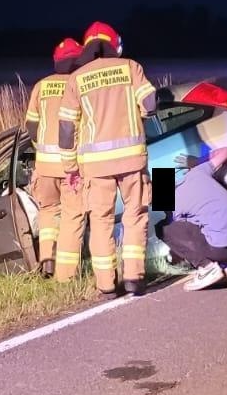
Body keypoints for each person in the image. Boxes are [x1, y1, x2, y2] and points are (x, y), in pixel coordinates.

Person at [56, 21, 157, 295]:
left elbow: (66, 128)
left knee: (100, 221)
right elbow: (151, 105)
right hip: (132, 162)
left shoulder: (78, 78)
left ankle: (106, 284)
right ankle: (134, 278)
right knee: (135, 216)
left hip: (95, 167)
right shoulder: (130, 67)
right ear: (114, 44)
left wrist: (70, 168)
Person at [21, 38, 83, 276]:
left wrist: (42, 147)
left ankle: (48, 259)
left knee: (48, 214)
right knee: (71, 216)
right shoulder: (78, 83)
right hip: (71, 166)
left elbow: (31, 125)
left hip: (44, 166)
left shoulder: (41, 86)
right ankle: (66, 273)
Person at [158, 145, 227, 291]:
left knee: (164, 229)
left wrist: (177, 254)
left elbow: (183, 239)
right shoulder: (199, 172)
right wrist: (198, 161)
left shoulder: (175, 205)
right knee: (204, 219)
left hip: (222, 250)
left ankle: (207, 268)